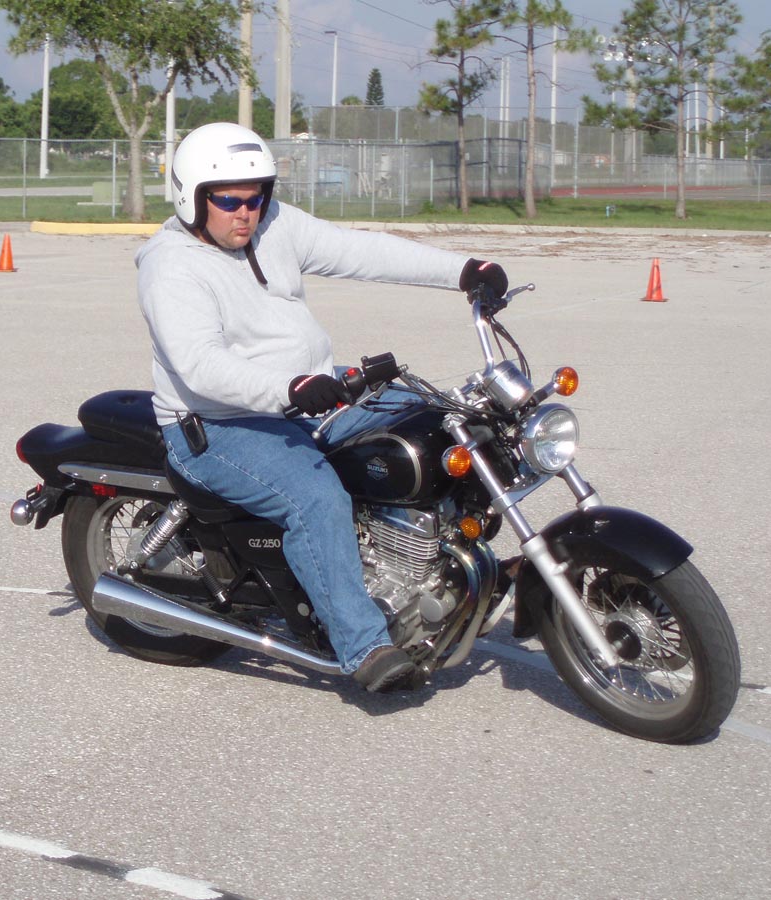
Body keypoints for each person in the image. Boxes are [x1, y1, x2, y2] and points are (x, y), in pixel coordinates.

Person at [135, 122, 508, 693]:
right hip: (216, 425)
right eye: (230, 200)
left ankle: (441, 560)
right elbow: (201, 366)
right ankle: (362, 645)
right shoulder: (171, 266)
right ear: (192, 197)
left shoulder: (274, 225)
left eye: (257, 196)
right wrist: (289, 389)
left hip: (305, 397)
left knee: (438, 420)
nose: (247, 212)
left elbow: (359, 250)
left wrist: (462, 270)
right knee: (316, 498)